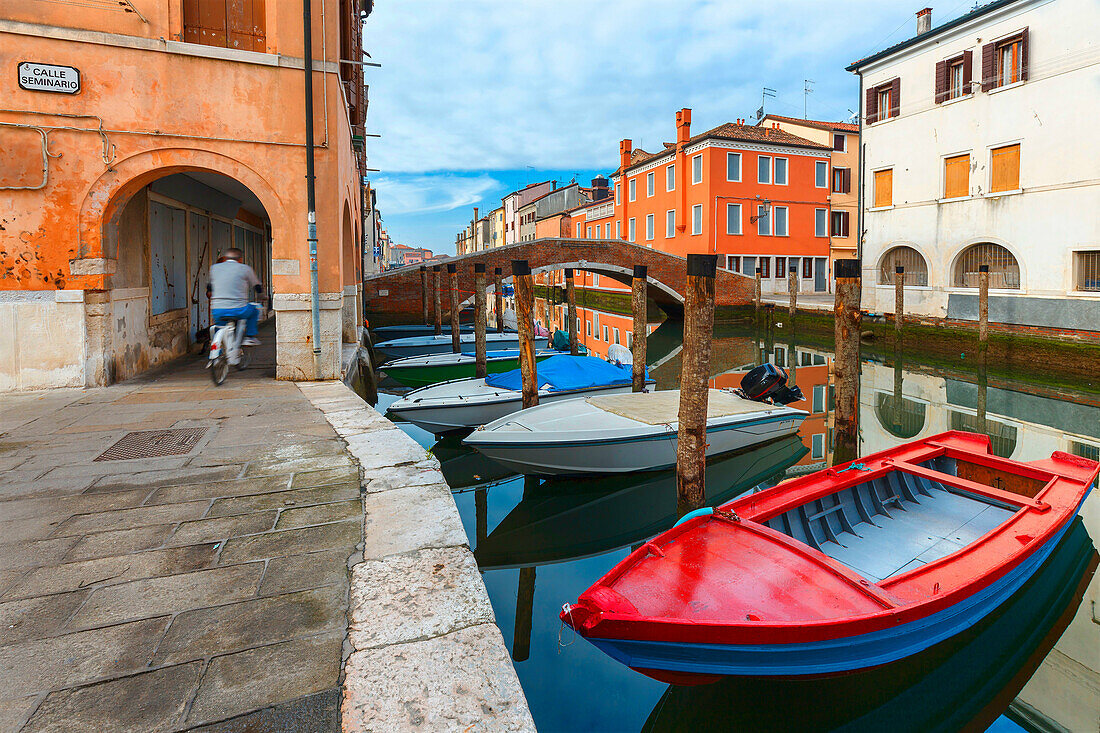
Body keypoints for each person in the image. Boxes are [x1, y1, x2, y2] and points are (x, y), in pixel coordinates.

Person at [207, 248, 262, 346]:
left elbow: (210, 287)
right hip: (239, 309)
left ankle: (216, 349)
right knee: (254, 311)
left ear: (226, 257)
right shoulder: (245, 268)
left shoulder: (214, 268)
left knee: (220, 326)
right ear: (240, 259)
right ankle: (250, 337)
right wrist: (262, 295)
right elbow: (257, 286)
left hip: (217, 309)